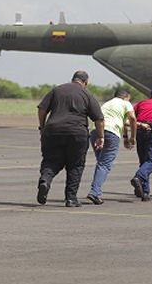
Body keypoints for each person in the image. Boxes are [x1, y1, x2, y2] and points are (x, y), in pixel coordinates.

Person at [36, 70, 104, 207]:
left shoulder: (57, 90)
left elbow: (42, 109)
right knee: (75, 165)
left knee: (51, 161)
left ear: (73, 79)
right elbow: (99, 118)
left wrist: (42, 127)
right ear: (86, 82)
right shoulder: (87, 94)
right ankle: (71, 199)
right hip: (77, 133)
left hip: (53, 131)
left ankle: (45, 180)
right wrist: (101, 136)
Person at [86, 88, 137, 205]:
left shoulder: (107, 104)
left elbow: (122, 121)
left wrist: (125, 137)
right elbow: (132, 119)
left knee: (101, 163)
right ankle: (94, 192)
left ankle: (96, 191)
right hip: (111, 133)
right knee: (104, 164)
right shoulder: (125, 103)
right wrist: (133, 137)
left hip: (96, 132)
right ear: (125, 97)